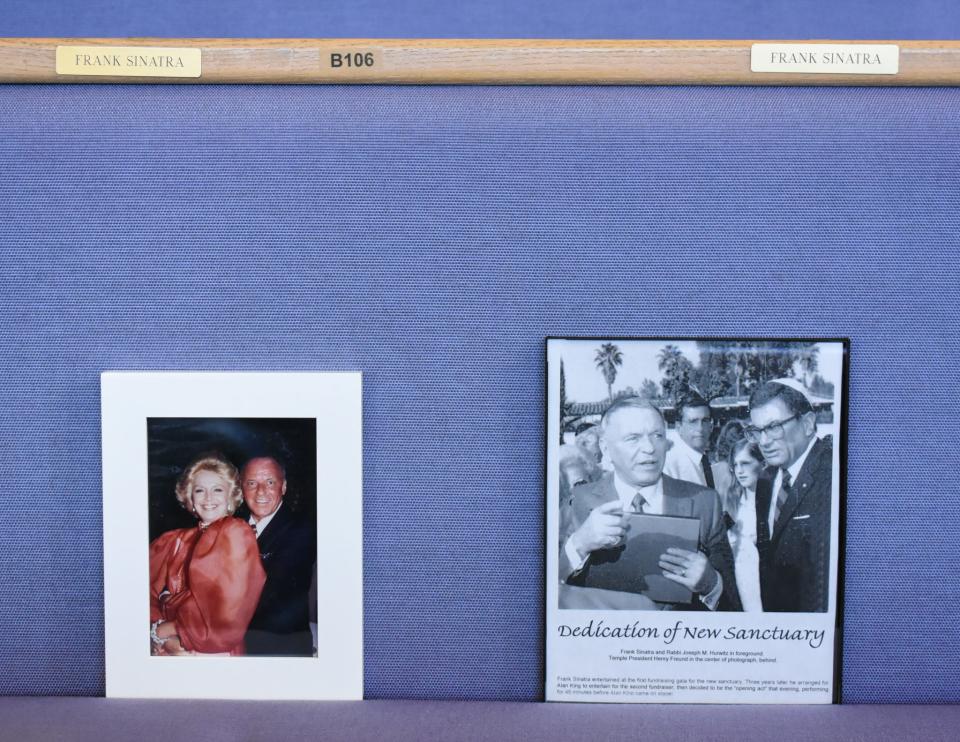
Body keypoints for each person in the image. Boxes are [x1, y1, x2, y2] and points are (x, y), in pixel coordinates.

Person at [560, 398, 739, 611]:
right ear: (606, 449)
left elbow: (733, 603)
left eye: (657, 436)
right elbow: (545, 591)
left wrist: (711, 584)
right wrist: (579, 545)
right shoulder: (577, 501)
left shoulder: (705, 502)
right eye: (633, 438)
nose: (649, 448)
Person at [149, 453, 266, 656]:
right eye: (200, 490)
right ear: (190, 498)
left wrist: (165, 630)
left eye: (218, 490)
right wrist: (157, 632)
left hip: (211, 652)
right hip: (167, 647)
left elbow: (225, 615)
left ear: (230, 498)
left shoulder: (235, 533)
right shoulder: (174, 540)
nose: (209, 498)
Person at [747, 381, 832, 613]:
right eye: (757, 431)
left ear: (807, 423)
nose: (764, 441)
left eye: (774, 427)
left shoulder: (833, 475)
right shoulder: (765, 480)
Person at [241, 456, 316, 656]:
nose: (261, 491)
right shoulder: (231, 525)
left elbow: (270, 594)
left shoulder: (302, 530)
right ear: (241, 489)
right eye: (251, 483)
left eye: (270, 482)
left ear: (283, 487)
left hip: (279, 648)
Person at [722, 437, 765, 612]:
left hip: (763, 587)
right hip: (738, 588)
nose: (739, 471)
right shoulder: (732, 501)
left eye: (745, 463)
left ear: (762, 463)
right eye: (735, 465)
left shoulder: (772, 504)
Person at [663, 391, 716, 488]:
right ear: (679, 427)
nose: (700, 428)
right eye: (693, 422)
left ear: (711, 426)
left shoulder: (703, 462)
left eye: (705, 421)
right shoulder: (669, 467)